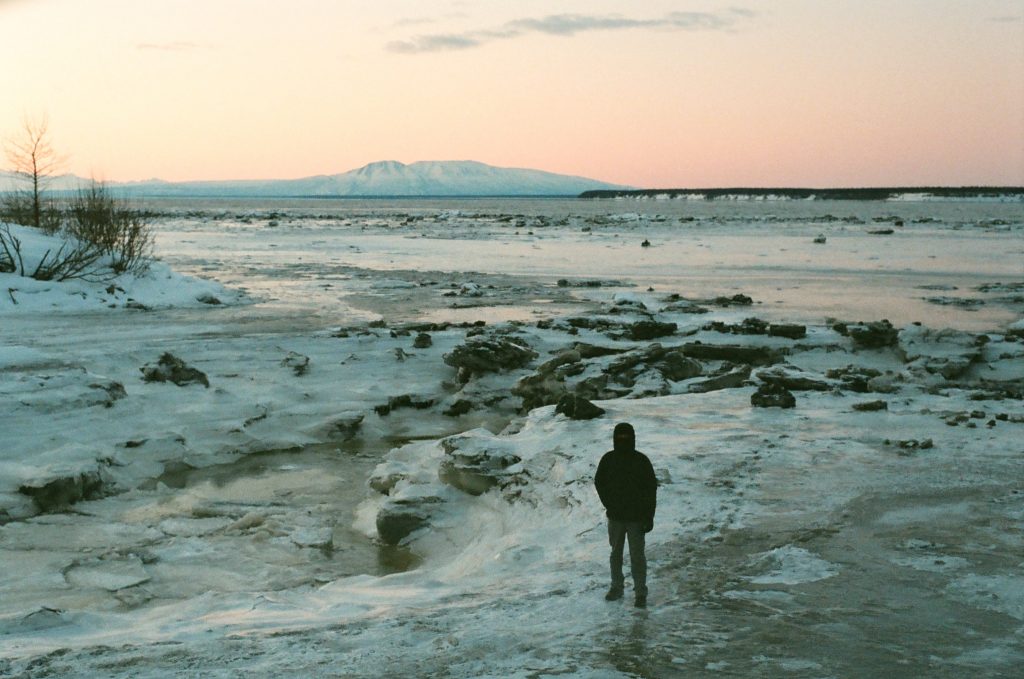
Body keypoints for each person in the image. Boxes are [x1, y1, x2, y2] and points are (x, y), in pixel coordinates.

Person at [594, 422, 657, 608]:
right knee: (616, 554)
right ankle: (617, 587)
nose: (623, 441)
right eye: (619, 437)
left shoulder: (641, 461)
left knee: (637, 556)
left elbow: (650, 490)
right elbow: (599, 482)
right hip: (616, 517)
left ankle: (640, 593)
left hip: (637, 519)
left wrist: (649, 516)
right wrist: (609, 503)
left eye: (626, 437)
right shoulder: (608, 460)